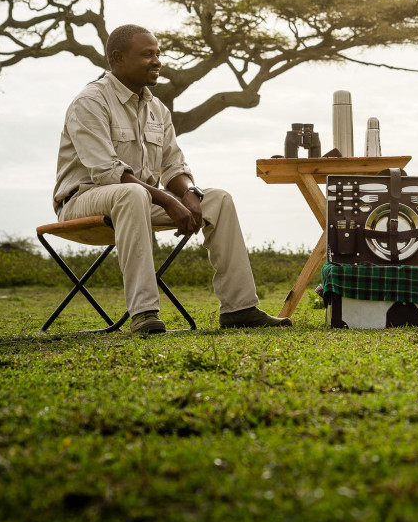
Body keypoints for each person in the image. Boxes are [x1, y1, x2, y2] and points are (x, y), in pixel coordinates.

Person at [52, 24, 291, 333]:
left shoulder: (157, 109)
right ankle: (144, 313)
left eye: (158, 54)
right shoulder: (90, 102)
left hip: (136, 202)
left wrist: (190, 192)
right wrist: (167, 200)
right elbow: (108, 173)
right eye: (147, 54)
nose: (157, 61)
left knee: (217, 198)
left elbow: (174, 166)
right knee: (132, 193)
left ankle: (239, 308)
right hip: (83, 201)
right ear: (118, 58)